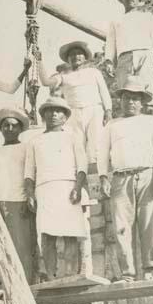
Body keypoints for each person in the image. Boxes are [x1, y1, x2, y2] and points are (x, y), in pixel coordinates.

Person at [97, 76, 153, 282]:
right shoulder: (112, 125)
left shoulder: (150, 121)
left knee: (149, 223)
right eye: (126, 98)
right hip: (121, 177)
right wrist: (103, 177)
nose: (131, 102)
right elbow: (102, 153)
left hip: (148, 174)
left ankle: (151, 269)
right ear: (120, 100)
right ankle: (127, 272)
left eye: (136, 98)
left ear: (143, 101)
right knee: (121, 226)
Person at [24, 96, 88, 280]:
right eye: (49, 111)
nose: (53, 114)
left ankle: (70, 275)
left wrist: (77, 187)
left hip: (68, 187)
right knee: (47, 234)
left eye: (58, 111)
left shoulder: (72, 138)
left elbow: (82, 167)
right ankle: (52, 276)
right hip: (44, 190)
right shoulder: (34, 142)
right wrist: (30, 194)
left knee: (71, 233)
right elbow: (29, 172)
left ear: (65, 116)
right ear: (43, 115)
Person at [0, 107, 38, 286]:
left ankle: (25, 281)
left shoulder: (26, 147)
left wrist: (28, 197)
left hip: (19, 200)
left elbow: (30, 173)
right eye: (5, 126)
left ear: (20, 129)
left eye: (13, 126)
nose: (9, 129)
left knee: (21, 245)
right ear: (1, 129)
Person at [37, 41, 112, 165]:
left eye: (79, 53)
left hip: (94, 110)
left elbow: (104, 93)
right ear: (68, 59)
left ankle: (98, 178)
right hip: (74, 113)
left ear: (84, 57)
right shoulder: (63, 76)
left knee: (96, 146)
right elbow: (45, 82)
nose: (76, 56)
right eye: (72, 55)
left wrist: (108, 111)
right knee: (77, 147)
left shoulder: (94, 72)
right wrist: (39, 61)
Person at [104, 0, 153, 100]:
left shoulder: (147, 16)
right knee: (127, 88)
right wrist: (109, 61)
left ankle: (149, 111)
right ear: (122, 0)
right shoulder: (116, 21)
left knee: (148, 86)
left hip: (145, 54)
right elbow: (110, 42)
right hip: (124, 57)